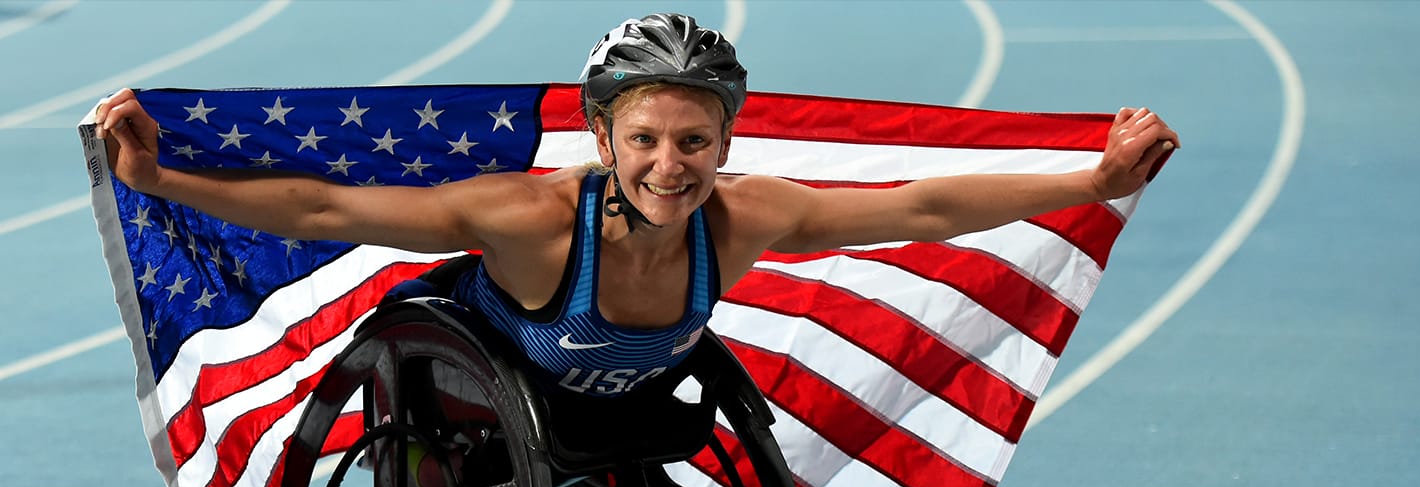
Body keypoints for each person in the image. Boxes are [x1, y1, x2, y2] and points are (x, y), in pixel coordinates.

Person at [94, 12, 1178, 400]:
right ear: (602, 140)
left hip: (633, 411)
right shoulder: (528, 219)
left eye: (694, 141)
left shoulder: (744, 217)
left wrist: (1091, 181)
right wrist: (161, 182)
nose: (671, 166)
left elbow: (922, 203)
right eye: (647, 140)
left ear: (726, 142)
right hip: (484, 408)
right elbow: (328, 209)